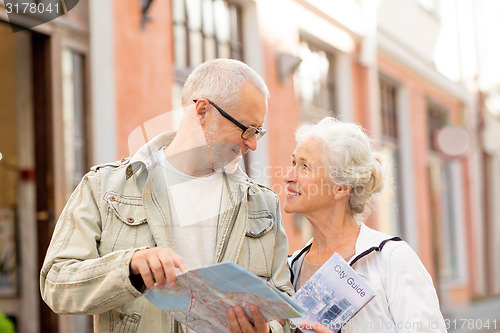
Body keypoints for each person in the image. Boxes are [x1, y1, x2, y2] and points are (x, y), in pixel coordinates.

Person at [40, 58, 293, 333]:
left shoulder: (264, 205)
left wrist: (268, 330)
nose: (253, 144)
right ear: (203, 111)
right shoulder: (105, 186)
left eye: (259, 132)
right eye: (247, 129)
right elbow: (56, 283)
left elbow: (286, 310)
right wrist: (129, 265)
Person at [284, 117, 447, 333]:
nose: (288, 177)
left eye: (305, 167)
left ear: (341, 188)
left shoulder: (391, 259)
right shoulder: (291, 268)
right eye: (293, 162)